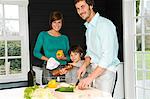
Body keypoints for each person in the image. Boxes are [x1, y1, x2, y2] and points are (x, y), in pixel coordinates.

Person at [74, 0, 120, 94]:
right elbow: (90, 53)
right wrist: (84, 65)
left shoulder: (105, 25)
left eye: (82, 7)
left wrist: (89, 78)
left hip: (106, 73)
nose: (80, 11)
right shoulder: (89, 29)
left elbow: (107, 57)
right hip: (93, 71)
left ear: (91, 6)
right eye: (78, 9)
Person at [33, 10, 70, 84]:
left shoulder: (64, 38)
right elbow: (36, 52)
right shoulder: (43, 35)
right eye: (54, 22)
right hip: (49, 68)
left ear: (62, 23)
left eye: (59, 22)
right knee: (49, 91)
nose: (57, 25)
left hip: (62, 69)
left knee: (63, 90)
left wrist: (63, 58)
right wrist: (48, 59)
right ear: (51, 23)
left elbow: (69, 56)